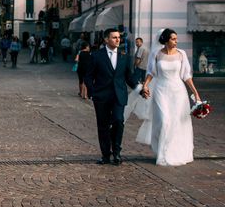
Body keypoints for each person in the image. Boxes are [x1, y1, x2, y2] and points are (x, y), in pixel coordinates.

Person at [136, 29, 201, 166]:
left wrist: (195, 93)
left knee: (176, 123)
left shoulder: (181, 54)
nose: (176, 41)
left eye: (176, 39)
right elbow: (151, 72)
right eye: (173, 39)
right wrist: (145, 86)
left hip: (178, 93)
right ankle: (162, 153)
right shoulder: (156, 54)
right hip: (161, 90)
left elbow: (186, 76)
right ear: (166, 40)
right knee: (164, 121)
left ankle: (172, 152)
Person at [84, 28, 138, 165]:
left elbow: (129, 77)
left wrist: (140, 89)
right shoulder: (96, 56)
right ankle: (105, 155)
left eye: (118, 37)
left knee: (119, 121)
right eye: (114, 37)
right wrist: (92, 93)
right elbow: (88, 76)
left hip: (119, 96)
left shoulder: (124, 57)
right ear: (106, 39)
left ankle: (117, 152)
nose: (117, 39)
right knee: (103, 126)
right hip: (101, 97)